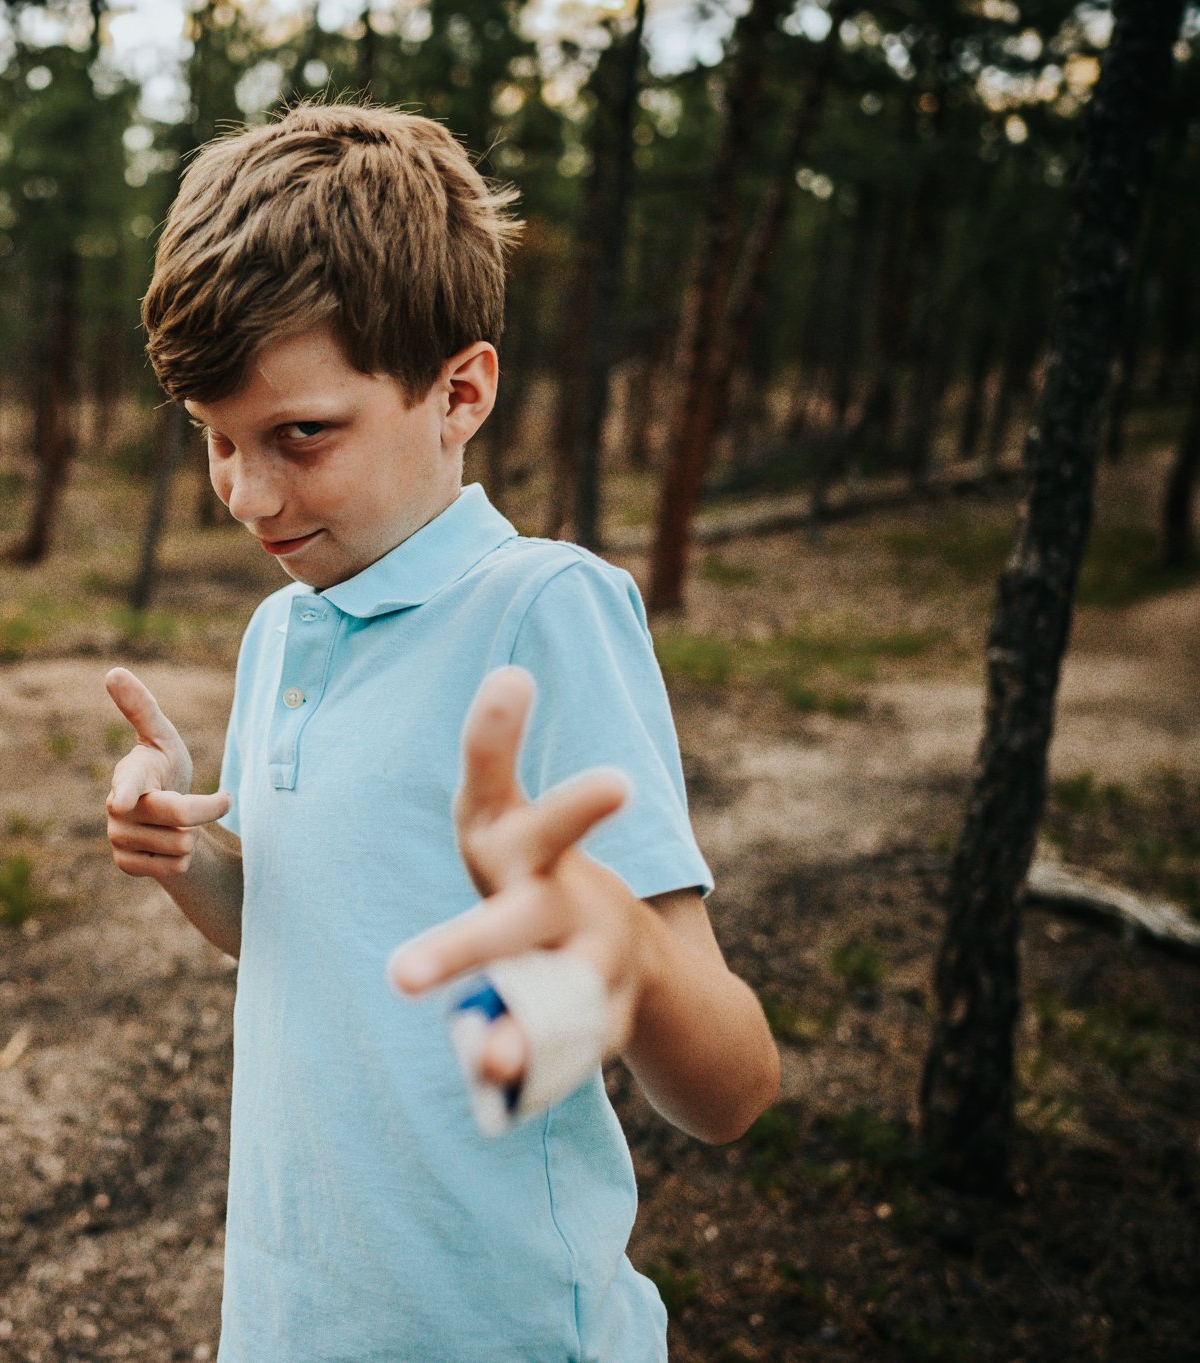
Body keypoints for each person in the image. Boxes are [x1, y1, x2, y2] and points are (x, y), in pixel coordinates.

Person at [102, 102, 779, 1362]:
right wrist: (187, 855)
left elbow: (730, 1092)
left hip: (498, 1331)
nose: (247, 495)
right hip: (294, 1318)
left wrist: (612, 938)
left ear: (458, 391)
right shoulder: (281, 635)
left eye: (299, 435)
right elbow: (303, 934)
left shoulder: (541, 612)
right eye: (215, 442)